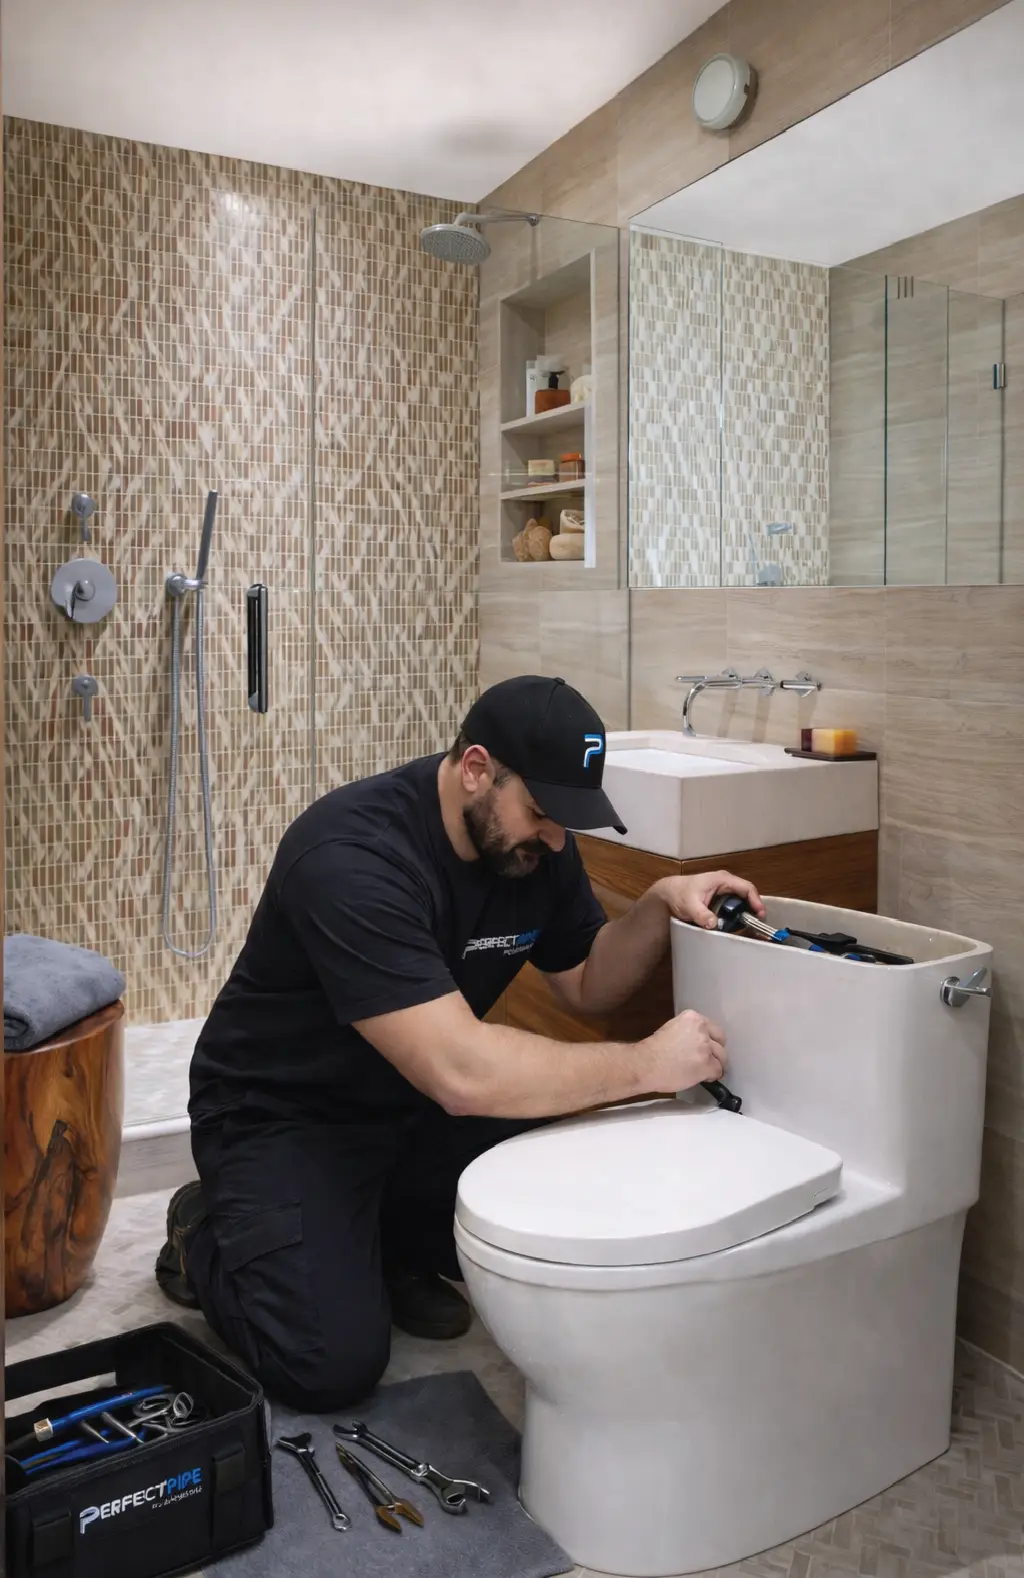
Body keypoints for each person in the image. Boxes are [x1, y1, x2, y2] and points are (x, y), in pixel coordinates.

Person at [155, 675, 763, 1409]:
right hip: (285, 1115)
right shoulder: (352, 857)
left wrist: (658, 907)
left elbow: (587, 983)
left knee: (544, 1230)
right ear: (476, 769)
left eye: (568, 820)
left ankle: (385, 1238)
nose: (557, 838)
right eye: (541, 812)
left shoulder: (535, 846)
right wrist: (646, 1065)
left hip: (407, 1107)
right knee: (328, 1362)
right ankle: (206, 1229)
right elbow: (460, 1072)